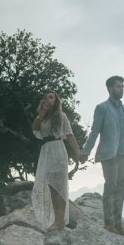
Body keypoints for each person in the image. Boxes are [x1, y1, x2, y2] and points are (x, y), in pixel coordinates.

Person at [79, 76, 124, 236]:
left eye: (122, 86)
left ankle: (118, 224)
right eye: (118, 86)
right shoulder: (102, 108)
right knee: (111, 186)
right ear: (110, 88)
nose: (121, 89)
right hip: (109, 154)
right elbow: (95, 131)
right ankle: (109, 223)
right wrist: (85, 151)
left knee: (121, 188)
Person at [31, 91, 80, 232]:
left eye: (51, 97)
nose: (48, 99)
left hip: (58, 150)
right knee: (52, 186)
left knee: (60, 186)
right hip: (46, 151)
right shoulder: (43, 117)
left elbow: (70, 135)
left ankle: (60, 220)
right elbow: (34, 129)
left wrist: (78, 153)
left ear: (56, 100)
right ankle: (57, 219)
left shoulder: (61, 116)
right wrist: (41, 113)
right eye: (46, 98)